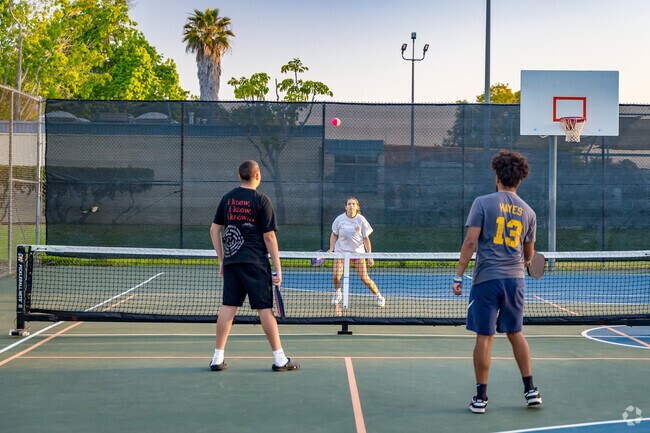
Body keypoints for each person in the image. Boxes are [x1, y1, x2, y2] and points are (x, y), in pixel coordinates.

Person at [452, 151, 541, 413]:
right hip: (515, 281)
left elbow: (470, 242)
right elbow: (530, 255)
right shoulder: (529, 212)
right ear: (520, 180)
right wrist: (524, 260)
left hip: (486, 280)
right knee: (516, 333)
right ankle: (531, 390)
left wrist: (458, 275)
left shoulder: (482, 203)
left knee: (485, 335)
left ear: (497, 176)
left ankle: (480, 398)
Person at [209, 160, 300, 372]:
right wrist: (278, 267)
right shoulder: (262, 200)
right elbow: (269, 236)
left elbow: (214, 230)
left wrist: (222, 259)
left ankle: (216, 358)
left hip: (232, 261)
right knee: (265, 310)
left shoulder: (227, 198)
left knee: (228, 307)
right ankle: (279, 360)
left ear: (240, 176)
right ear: (257, 175)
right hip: (255, 263)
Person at [327, 197, 385, 307]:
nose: (351, 206)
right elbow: (334, 234)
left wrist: (369, 256)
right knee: (335, 276)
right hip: (341, 252)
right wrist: (331, 248)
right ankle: (338, 293)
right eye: (349, 204)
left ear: (357, 207)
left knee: (364, 278)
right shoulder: (339, 219)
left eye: (354, 204)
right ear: (345, 206)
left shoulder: (361, 220)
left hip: (358, 253)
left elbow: (366, 239)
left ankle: (379, 296)